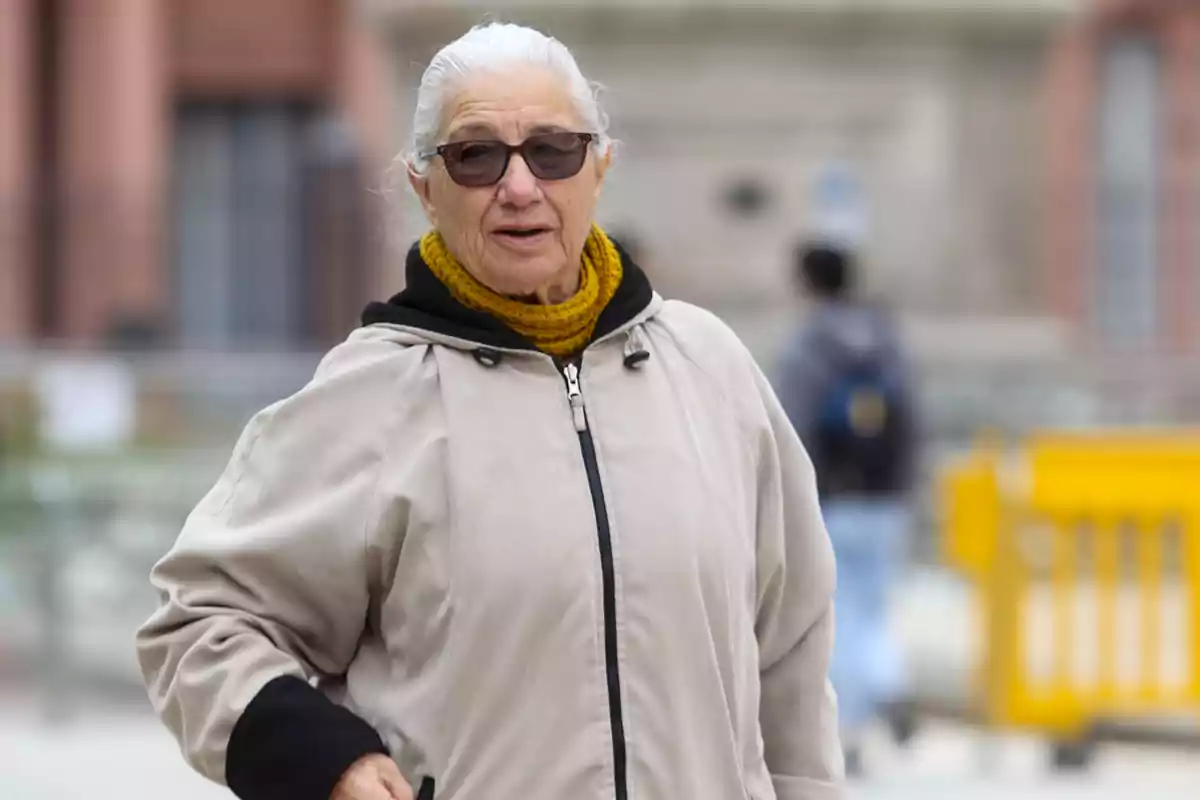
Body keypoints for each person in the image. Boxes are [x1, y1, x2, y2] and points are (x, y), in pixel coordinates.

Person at [137, 23, 843, 800]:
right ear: (423, 187)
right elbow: (198, 626)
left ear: (599, 167)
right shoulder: (369, 399)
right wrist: (324, 762)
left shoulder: (712, 372)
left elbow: (793, 651)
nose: (519, 187)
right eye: (476, 156)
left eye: (552, 151)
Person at [774, 242, 918, 777]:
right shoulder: (885, 336)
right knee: (875, 605)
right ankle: (890, 685)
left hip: (833, 497)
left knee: (840, 611)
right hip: (886, 496)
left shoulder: (810, 344)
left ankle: (853, 730)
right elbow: (911, 418)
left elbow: (792, 427)